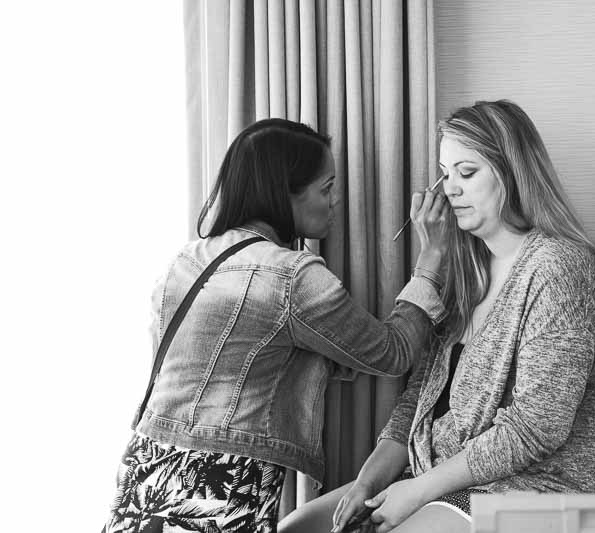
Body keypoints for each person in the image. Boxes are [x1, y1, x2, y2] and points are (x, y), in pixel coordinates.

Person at [278, 100, 595, 533]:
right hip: (442, 475)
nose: (450, 189)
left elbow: (535, 429)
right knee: (298, 528)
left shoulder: (558, 269)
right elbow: (416, 404)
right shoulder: (468, 274)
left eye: (467, 173)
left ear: (512, 173)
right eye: (445, 175)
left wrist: (417, 491)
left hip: (539, 486)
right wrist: (367, 482)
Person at [103, 118, 450, 533]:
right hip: (221, 478)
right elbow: (393, 353)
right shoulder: (293, 276)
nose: (335, 201)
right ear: (284, 193)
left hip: (146, 460)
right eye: (326, 188)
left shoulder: (186, 260)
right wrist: (431, 258)